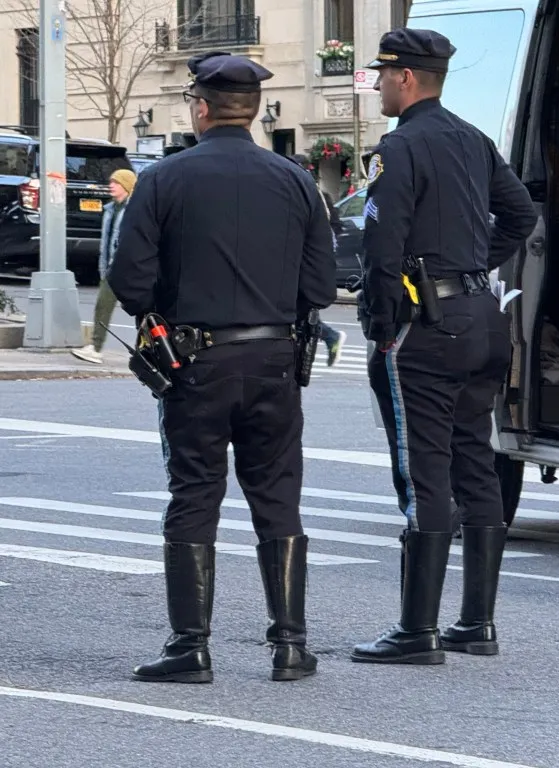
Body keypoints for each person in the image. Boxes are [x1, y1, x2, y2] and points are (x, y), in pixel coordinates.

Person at [107, 50, 337, 682]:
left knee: (194, 492)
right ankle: (290, 645)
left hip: (195, 358)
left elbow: (128, 280)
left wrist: (161, 312)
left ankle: (191, 647)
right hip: (274, 358)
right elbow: (319, 283)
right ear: (255, 111)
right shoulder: (296, 181)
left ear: (201, 109)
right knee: (278, 495)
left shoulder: (164, 179)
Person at [350, 28, 537, 665]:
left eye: (383, 74)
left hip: (426, 325)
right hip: (483, 314)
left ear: (406, 79)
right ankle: (476, 623)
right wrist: (469, 267)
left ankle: (415, 631)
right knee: (474, 463)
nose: (377, 84)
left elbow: (380, 244)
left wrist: (381, 322)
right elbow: (521, 215)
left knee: (424, 469)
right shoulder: (473, 139)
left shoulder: (400, 148)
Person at [71, 168, 137, 364]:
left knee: (142, 311)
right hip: (110, 267)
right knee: (103, 306)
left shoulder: (133, 209)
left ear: (126, 186)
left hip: (126, 268)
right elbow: (107, 241)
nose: (111, 186)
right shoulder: (110, 209)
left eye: (116, 183)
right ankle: (95, 347)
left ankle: (98, 347)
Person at [291, 153, 342, 366]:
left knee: (300, 308)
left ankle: (329, 336)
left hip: (307, 255)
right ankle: (328, 336)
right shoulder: (318, 193)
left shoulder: (306, 192)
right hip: (318, 254)